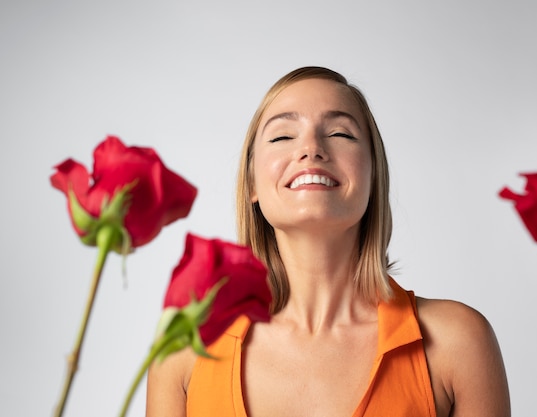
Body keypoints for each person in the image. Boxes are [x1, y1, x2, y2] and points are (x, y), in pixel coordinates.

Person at [146, 66, 511, 417]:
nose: (311, 149)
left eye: (340, 134)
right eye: (282, 136)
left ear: (372, 175)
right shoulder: (187, 349)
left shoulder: (457, 343)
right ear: (252, 184)